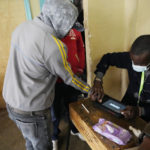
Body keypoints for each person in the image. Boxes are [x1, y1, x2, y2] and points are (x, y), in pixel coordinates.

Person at [2, 0, 93, 149]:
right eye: (69, 25)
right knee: (42, 145)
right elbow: (69, 77)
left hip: (11, 102)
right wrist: (89, 90)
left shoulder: (22, 27)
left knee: (30, 140)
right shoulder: (54, 46)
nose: (68, 30)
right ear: (61, 22)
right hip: (32, 111)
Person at [91, 35, 150, 122]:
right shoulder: (132, 59)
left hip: (146, 117)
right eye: (132, 60)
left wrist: (139, 111)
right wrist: (98, 80)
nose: (133, 65)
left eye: (139, 64)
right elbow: (107, 58)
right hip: (126, 107)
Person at [51, 28, 86, 150]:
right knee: (54, 111)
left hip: (73, 77)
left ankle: (74, 130)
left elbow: (81, 49)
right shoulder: (50, 31)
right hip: (54, 80)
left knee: (72, 106)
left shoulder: (75, 31)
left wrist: (81, 67)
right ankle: (54, 136)